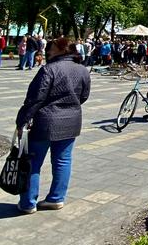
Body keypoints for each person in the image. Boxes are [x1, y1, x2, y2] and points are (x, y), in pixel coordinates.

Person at [15, 37, 91, 213]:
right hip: (71, 121)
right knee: (63, 161)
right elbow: (84, 96)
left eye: (52, 48)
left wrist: (22, 121)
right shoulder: (82, 70)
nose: (48, 50)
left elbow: (35, 99)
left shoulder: (48, 69)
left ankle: (27, 203)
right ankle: (56, 199)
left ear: (64, 50)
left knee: (32, 162)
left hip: (45, 122)